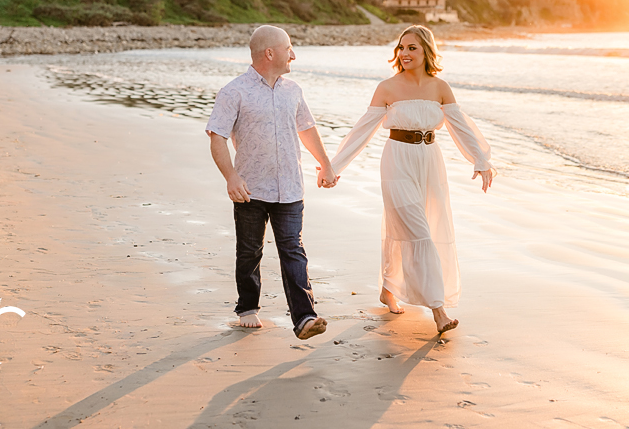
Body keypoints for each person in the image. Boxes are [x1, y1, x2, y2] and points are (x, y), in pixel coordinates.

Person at [330, 25, 495, 334]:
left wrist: (481, 160)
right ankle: (438, 310)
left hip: (431, 162)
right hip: (398, 161)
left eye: (412, 48)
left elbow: (462, 127)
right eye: (401, 48)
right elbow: (361, 131)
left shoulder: (440, 87)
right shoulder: (387, 88)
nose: (404, 54)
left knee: (408, 228)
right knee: (419, 232)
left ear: (426, 52)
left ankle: (388, 289)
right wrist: (333, 166)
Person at [206, 25, 337, 340]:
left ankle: (305, 317)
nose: (294, 54)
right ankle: (248, 307)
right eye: (289, 48)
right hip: (250, 189)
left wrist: (326, 164)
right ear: (270, 53)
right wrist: (231, 177)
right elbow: (217, 137)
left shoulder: (293, 90)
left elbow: (306, 128)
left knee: (293, 249)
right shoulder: (234, 91)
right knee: (249, 250)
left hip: (290, 187)